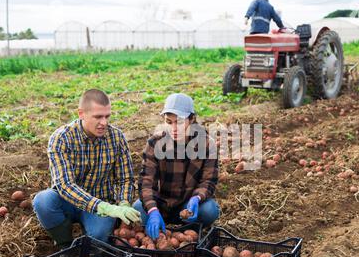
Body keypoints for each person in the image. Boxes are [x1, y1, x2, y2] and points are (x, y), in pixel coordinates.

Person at [33, 89, 141, 248]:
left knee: (98, 235)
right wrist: (103, 207)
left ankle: (91, 239)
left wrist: (123, 203)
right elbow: (64, 185)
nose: (104, 122)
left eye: (107, 116)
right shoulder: (62, 138)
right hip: (69, 201)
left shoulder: (117, 137)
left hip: (102, 204)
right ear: (81, 114)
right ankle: (65, 245)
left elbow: (124, 178)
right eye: (98, 117)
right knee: (43, 201)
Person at [134, 93, 220, 240]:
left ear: (191, 119)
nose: (173, 128)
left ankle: (188, 233)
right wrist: (153, 210)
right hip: (161, 204)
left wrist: (197, 198)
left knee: (210, 210)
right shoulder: (155, 143)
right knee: (137, 209)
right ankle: (159, 224)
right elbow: (146, 182)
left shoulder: (206, 144)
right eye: (169, 122)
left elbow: (208, 181)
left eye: (179, 122)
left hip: (187, 204)